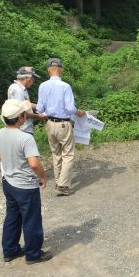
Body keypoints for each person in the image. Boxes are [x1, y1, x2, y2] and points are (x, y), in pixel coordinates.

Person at [0, 99, 53, 264]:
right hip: (25, 186)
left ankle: (10, 250)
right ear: (20, 118)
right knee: (31, 219)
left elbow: (1, 157)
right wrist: (43, 177)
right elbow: (34, 164)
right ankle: (33, 254)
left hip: (8, 182)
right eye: (24, 114)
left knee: (12, 216)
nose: (26, 116)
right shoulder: (26, 138)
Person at [35, 57, 86, 197]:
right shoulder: (65, 86)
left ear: (48, 70)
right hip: (63, 124)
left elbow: (39, 109)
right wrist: (78, 112)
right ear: (61, 70)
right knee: (68, 154)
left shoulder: (42, 86)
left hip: (50, 124)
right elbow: (70, 108)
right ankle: (63, 186)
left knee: (56, 154)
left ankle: (58, 182)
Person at [6, 66, 46, 135]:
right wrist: (38, 116)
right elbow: (20, 112)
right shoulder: (17, 90)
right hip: (22, 129)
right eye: (33, 78)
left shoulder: (21, 88)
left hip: (24, 129)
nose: (33, 81)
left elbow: (25, 104)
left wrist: (39, 106)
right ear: (27, 78)